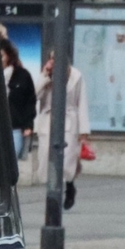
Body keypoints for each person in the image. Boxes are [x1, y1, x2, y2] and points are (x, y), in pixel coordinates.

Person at [37, 49, 91, 211]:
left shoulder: (76, 75)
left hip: (70, 120)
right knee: (47, 154)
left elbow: (82, 102)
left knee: (67, 158)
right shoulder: (46, 75)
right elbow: (35, 95)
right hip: (49, 119)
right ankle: (52, 190)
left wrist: (84, 131)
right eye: (51, 58)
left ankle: (68, 186)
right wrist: (45, 76)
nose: (54, 61)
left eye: (56, 58)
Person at [0, 33, 37, 162]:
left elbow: (30, 101)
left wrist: (28, 125)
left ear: (9, 56)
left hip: (15, 126)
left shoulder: (22, 75)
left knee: (11, 161)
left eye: (1, 56)